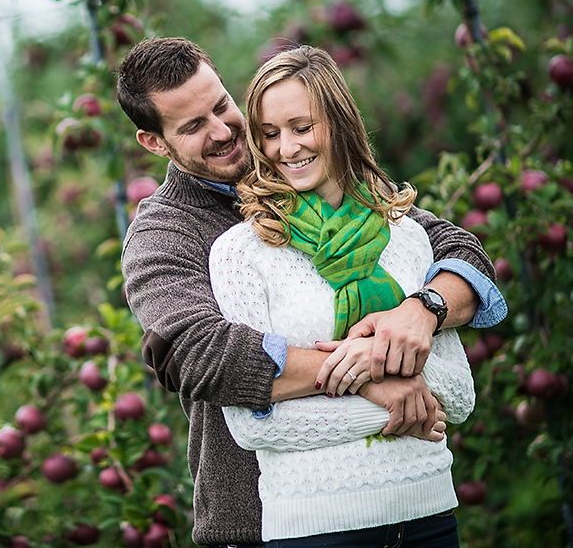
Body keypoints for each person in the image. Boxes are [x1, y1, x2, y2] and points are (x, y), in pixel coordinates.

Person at [116, 36, 506, 547]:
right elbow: (199, 354)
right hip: (263, 520)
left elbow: (456, 250)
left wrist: (421, 310)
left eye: (221, 105)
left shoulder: (313, 171)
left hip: (406, 495)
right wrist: (367, 374)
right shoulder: (165, 233)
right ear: (155, 142)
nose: (223, 131)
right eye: (192, 126)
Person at [210, 44, 486, 546]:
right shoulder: (241, 252)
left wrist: (366, 356)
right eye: (269, 133)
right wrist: (385, 388)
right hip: (315, 527)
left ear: (338, 123)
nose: (286, 148)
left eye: (301, 127)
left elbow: (459, 396)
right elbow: (252, 425)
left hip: (429, 513)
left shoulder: (407, 236)